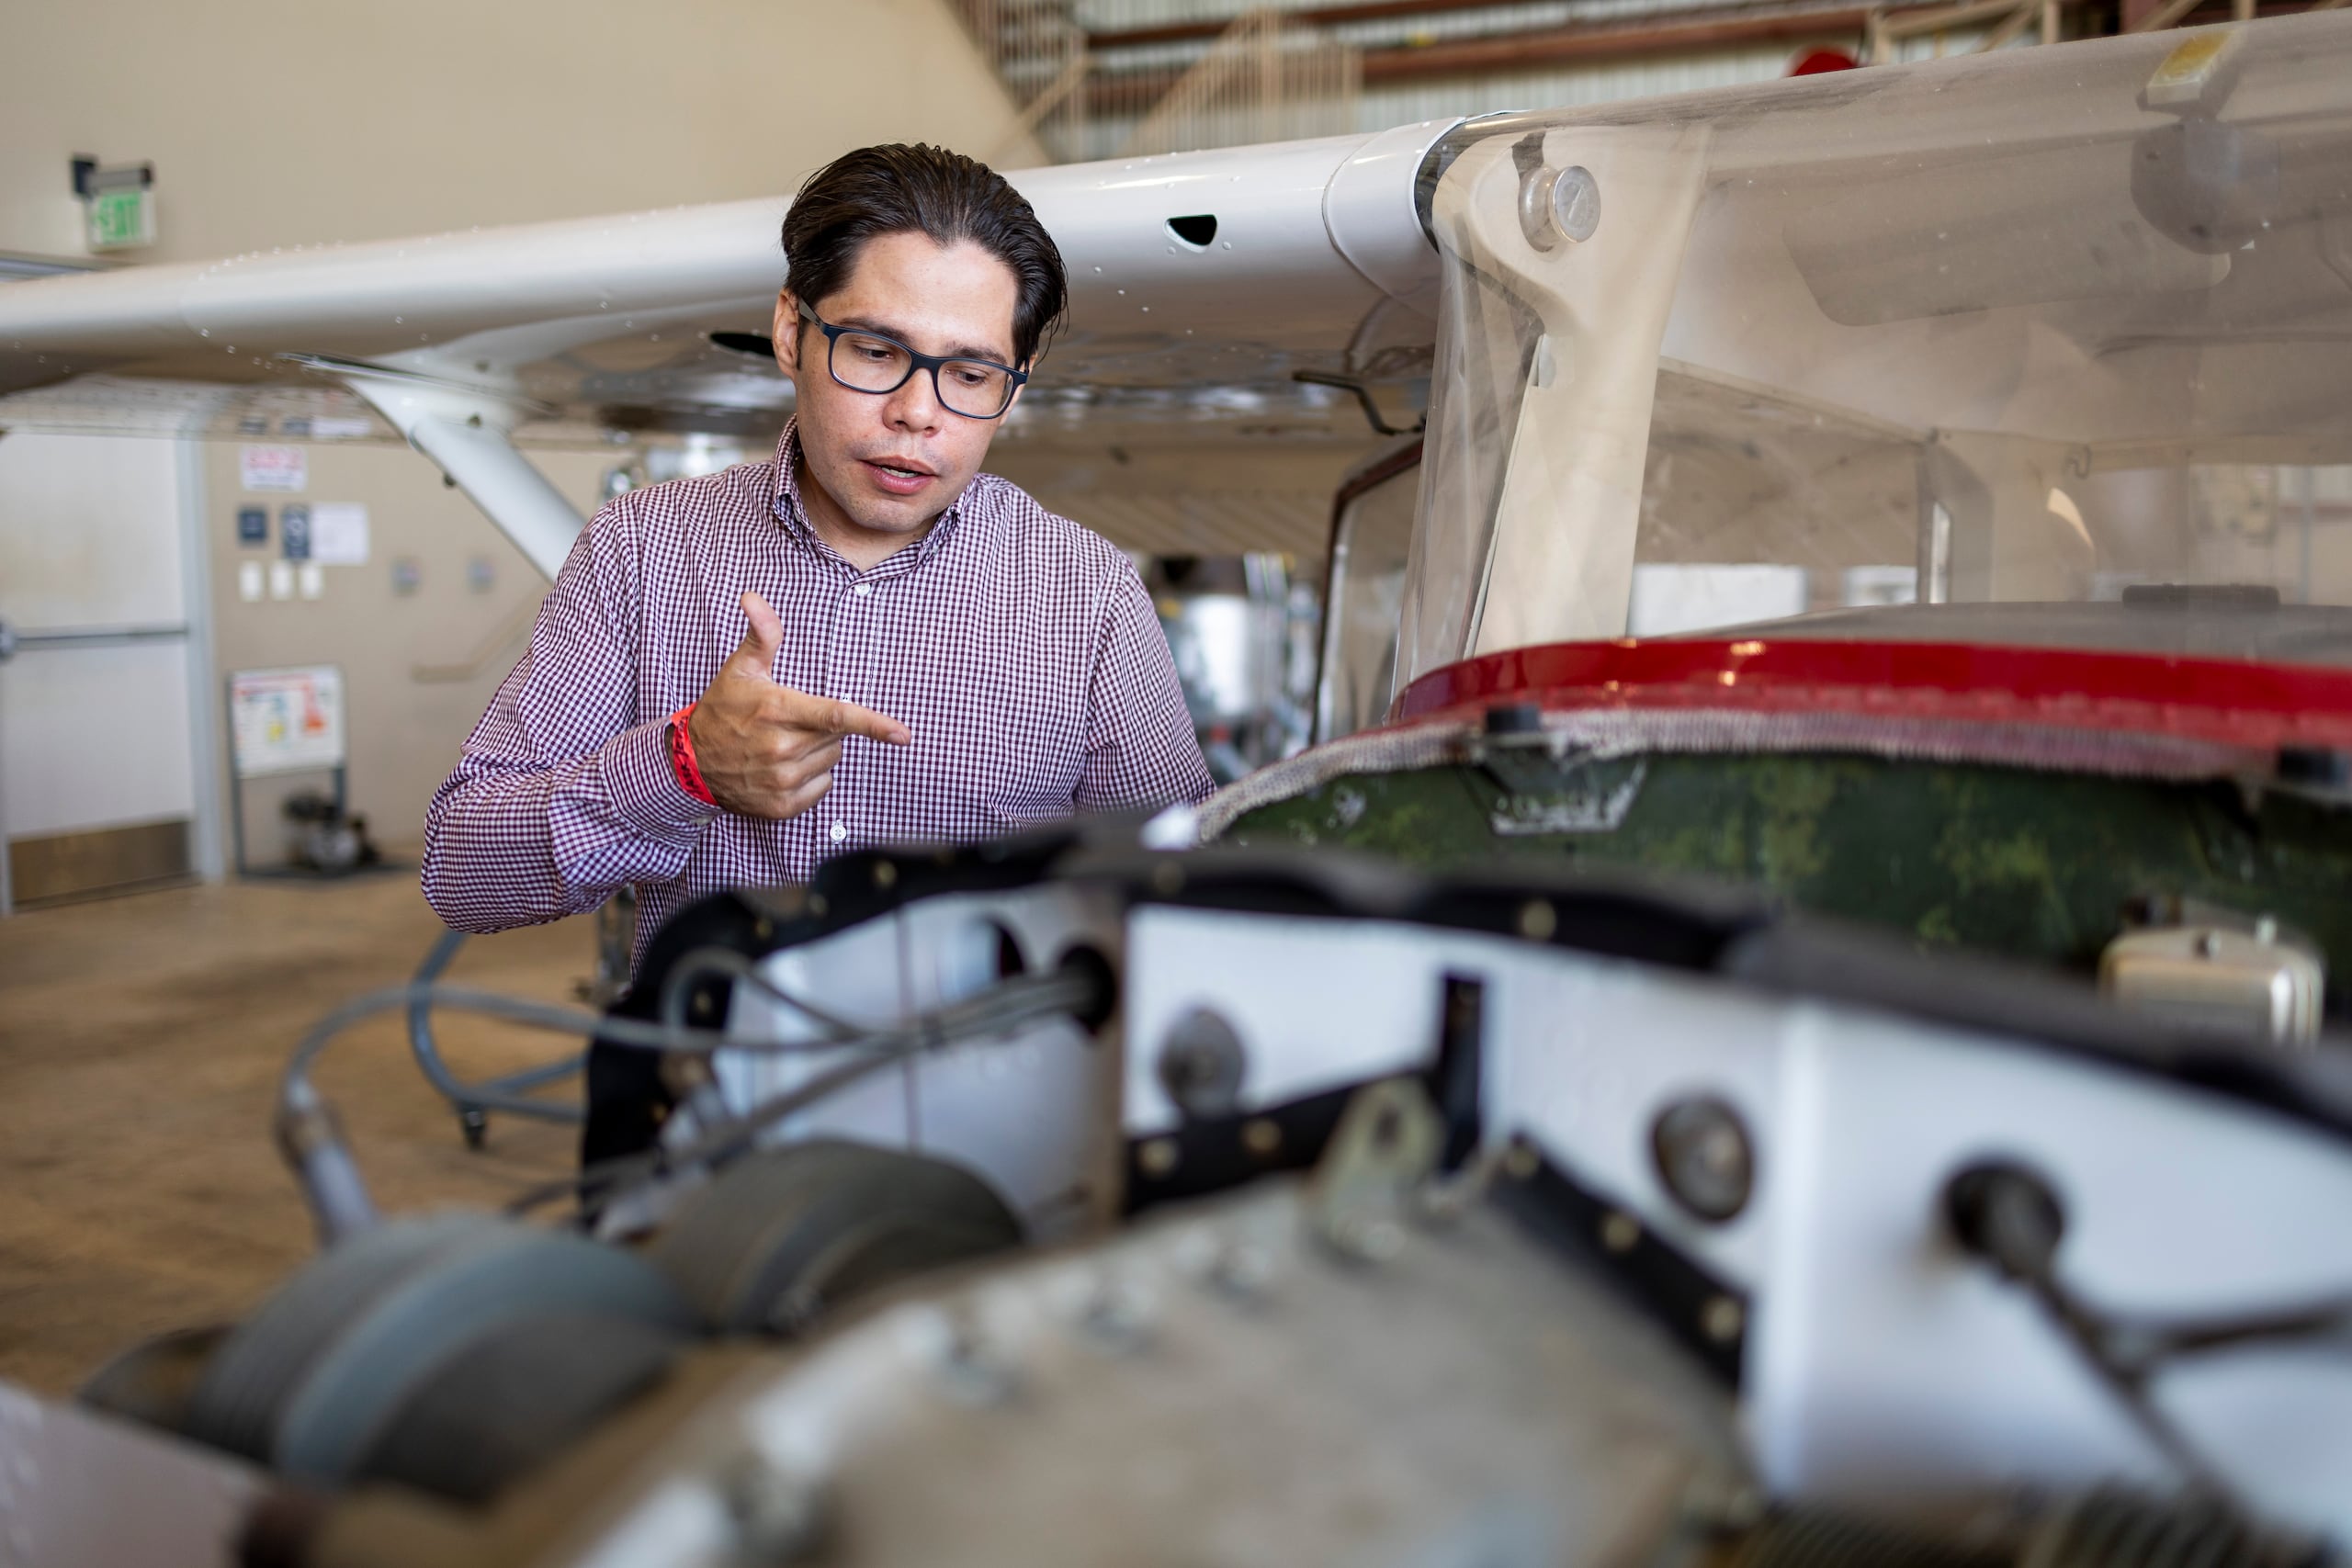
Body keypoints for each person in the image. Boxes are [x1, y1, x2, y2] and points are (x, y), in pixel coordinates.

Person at [422, 144, 1215, 1156]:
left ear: (1012, 390)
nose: (917, 413)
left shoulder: (1089, 599)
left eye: (969, 372)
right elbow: (461, 871)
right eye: (878, 352)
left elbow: (1182, 910)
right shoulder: (642, 552)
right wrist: (678, 768)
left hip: (990, 1145)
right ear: (792, 330)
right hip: (696, 1128)